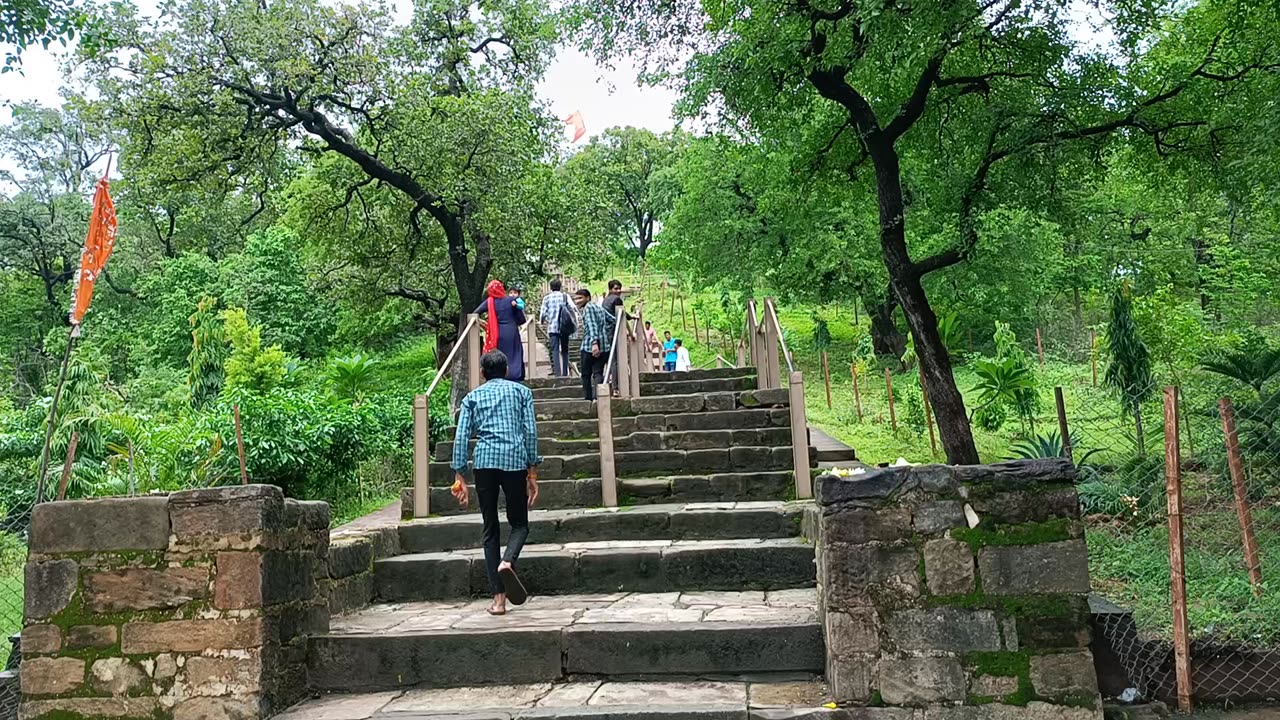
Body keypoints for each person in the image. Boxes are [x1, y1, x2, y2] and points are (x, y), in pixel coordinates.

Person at [451, 350, 541, 616]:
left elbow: (462, 436)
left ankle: (499, 601)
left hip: (484, 464)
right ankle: (508, 561)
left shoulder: (472, 398)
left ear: (482, 373)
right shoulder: (522, 393)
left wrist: (459, 474)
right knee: (520, 524)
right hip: (514, 461)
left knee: (490, 530)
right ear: (506, 371)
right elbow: (530, 431)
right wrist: (532, 471)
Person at [474, 280, 526, 381]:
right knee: (515, 353)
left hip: (497, 332)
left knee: (501, 355)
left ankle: (501, 376)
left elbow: (475, 313)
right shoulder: (512, 300)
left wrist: (482, 323)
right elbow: (522, 320)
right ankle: (516, 375)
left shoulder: (490, 302)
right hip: (512, 331)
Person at [575, 288, 611, 400]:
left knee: (586, 374)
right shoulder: (598, 307)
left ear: (588, 298)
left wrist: (594, 343)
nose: (577, 301)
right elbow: (611, 319)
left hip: (589, 346)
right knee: (598, 373)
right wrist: (629, 317)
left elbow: (592, 325)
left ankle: (588, 399)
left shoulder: (588, 308)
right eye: (576, 299)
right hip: (604, 345)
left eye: (580, 298)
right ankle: (598, 398)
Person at [539, 279, 574, 377]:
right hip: (564, 327)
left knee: (554, 350)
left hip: (552, 328)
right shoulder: (565, 296)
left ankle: (558, 374)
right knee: (565, 350)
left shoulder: (547, 298)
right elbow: (572, 309)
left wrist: (543, 321)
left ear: (550, 287)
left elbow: (542, 313)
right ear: (560, 286)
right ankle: (565, 373)